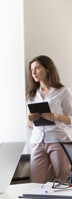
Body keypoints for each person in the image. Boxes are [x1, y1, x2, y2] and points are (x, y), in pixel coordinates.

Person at [26, 55, 72, 183]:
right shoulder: (32, 95)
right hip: (37, 142)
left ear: (48, 69)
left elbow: (71, 119)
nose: (33, 72)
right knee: (35, 183)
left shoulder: (63, 92)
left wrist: (56, 116)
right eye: (32, 69)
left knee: (63, 181)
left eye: (37, 68)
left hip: (58, 140)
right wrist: (29, 119)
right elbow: (30, 125)